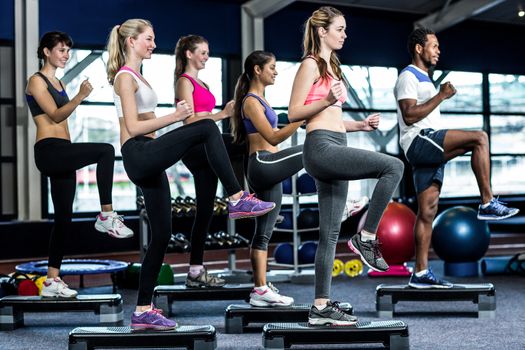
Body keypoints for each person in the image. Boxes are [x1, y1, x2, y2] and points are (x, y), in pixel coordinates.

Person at [106, 19, 275, 331]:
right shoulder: (124, 78)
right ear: (131, 42)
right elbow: (132, 128)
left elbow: (149, 123)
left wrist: (169, 140)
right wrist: (177, 117)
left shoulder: (139, 78)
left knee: (162, 234)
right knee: (207, 127)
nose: (153, 44)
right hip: (138, 153)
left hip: (150, 156)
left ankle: (143, 309)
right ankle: (238, 197)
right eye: (148, 39)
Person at [288, 7, 404, 326]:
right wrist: (326, 101)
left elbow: (333, 119)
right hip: (321, 148)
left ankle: (321, 307)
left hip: (337, 141)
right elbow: (294, 112)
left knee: (329, 234)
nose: (344, 34)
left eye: (345, 29)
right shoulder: (310, 64)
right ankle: (366, 237)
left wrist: (361, 126)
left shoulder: (332, 67)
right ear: (322, 31)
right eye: (339, 29)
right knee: (393, 167)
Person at [394, 28, 519, 289]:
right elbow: (409, 116)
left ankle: (420, 272)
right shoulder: (409, 76)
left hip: (425, 147)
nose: (438, 50)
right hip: (419, 140)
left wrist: (437, 94)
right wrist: (441, 96)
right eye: (434, 45)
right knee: (479, 138)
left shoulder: (425, 79)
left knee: (427, 212)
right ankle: (487, 203)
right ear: (419, 49)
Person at [25, 32, 133, 298]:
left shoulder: (58, 81)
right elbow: (55, 114)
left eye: (67, 51)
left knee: (63, 219)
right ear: (46, 51)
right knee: (106, 151)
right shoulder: (36, 82)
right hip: (48, 151)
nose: (66, 55)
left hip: (63, 151)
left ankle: (52, 280)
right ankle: (106, 214)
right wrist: (80, 96)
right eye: (61, 50)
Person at [231, 50, 304, 306]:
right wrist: (301, 120)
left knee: (264, 232)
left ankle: (259, 290)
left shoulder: (262, 100)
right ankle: (339, 205)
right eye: (271, 67)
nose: (275, 71)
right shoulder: (251, 101)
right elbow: (273, 138)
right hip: (262, 164)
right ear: (257, 70)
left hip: (269, 166)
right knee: (312, 150)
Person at [174, 35, 245, 288]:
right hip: (194, 147)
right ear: (189, 54)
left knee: (204, 211)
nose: (206, 56)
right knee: (243, 143)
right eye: (202, 52)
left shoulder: (201, 81)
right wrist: (222, 114)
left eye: (207, 52)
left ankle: (194, 271)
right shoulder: (185, 81)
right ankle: (241, 197)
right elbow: (190, 122)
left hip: (208, 147)